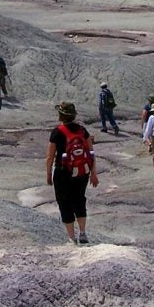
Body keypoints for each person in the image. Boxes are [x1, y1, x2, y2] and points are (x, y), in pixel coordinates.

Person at [46, 101, 98, 245]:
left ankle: (72, 238)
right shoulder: (82, 130)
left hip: (63, 172)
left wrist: (48, 173)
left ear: (61, 115)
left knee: (65, 203)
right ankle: (83, 233)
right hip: (82, 172)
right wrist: (93, 173)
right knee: (79, 199)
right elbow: (91, 152)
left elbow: (50, 156)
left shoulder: (57, 132)